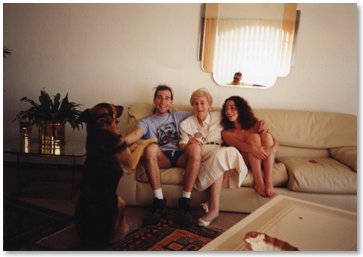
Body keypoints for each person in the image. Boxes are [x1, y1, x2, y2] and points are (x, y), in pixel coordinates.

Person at [125, 85, 200, 227]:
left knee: (195, 149)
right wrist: (119, 141)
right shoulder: (146, 122)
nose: (163, 101)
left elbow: (200, 112)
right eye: (159, 97)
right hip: (162, 157)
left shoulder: (179, 116)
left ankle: (184, 202)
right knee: (150, 148)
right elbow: (136, 135)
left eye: (167, 98)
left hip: (180, 155)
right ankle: (159, 201)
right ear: (154, 100)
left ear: (171, 102)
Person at [179, 88, 248, 227]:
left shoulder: (220, 117)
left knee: (224, 157)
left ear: (209, 104)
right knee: (224, 156)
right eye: (196, 103)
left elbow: (239, 120)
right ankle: (214, 209)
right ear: (192, 105)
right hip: (199, 154)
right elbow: (182, 145)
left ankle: (211, 206)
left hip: (217, 150)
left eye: (203, 103)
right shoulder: (185, 124)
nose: (199, 107)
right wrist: (188, 145)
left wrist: (260, 125)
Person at [221, 96, 279, 197]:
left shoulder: (256, 124)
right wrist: (255, 149)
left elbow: (274, 140)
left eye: (232, 108)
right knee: (255, 137)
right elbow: (239, 145)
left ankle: (268, 182)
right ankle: (259, 184)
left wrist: (272, 149)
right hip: (246, 160)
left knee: (266, 135)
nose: (228, 111)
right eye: (226, 108)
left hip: (265, 159)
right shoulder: (226, 132)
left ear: (241, 109)